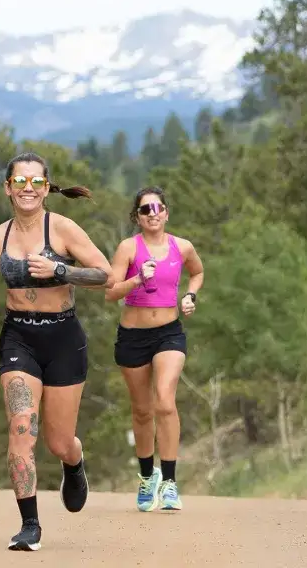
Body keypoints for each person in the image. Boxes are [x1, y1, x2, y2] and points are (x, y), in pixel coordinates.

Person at [0, 151, 114, 552]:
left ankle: (74, 462)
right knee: (21, 426)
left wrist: (61, 270)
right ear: (7, 188)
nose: (27, 189)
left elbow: (105, 274)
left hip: (64, 340)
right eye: (19, 182)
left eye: (35, 182)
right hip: (19, 339)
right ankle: (29, 525)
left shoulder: (62, 229)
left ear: (46, 188)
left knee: (58, 442)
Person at [105, 187, 204, 512]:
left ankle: (171, 482)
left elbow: (198, 272)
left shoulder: (182, 246)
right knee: (142, 410)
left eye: (157, 207)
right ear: (137, 216)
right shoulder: (128, 248)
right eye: (145, 209)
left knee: (165, 400)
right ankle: (148, 476)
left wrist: (191, 295)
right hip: (133, 336)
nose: (152, 213)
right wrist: (135, 280)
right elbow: (110, 292)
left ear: (166, 212)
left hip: (169, 334)